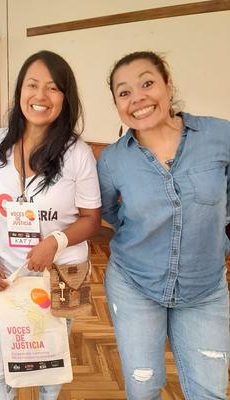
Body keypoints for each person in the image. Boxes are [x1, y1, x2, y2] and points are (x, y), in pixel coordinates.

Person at [97, 51, 230, 399]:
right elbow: (108, 212)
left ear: (168, 86)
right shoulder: (112, 160)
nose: (137, 98)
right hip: (135, 284)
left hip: (204, 289)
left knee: (210, 392)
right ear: (116, 104)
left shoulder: (219, 136)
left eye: (147, 83)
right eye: (123, 92)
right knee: (144, 388)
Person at [0, 50, 101, 399]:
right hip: (9, 272)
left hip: (65, 275)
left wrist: (55, 242)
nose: (40, 96)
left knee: (50, 363)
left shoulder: (78, 153)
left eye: (53, 88)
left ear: (65, 98)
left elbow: (92, 219)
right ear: (19, 91)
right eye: (32, 85)